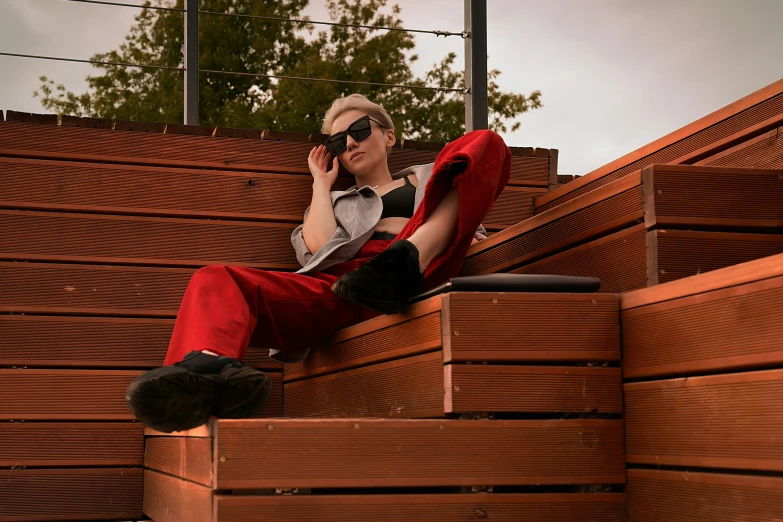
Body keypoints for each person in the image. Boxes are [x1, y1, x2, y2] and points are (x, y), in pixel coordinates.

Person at [125, 93, 511, 433]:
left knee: (486, 140)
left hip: (423, 263)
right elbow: (319, 248)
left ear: (389, 136)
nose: (350, 144)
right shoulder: (338, 199)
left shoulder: (432, 178)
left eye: (359, 130)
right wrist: (321, 184)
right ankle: (207, 371)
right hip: (351, 284)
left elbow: (477, 185)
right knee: (215, 279)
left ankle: (406, 258)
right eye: (337, 142)